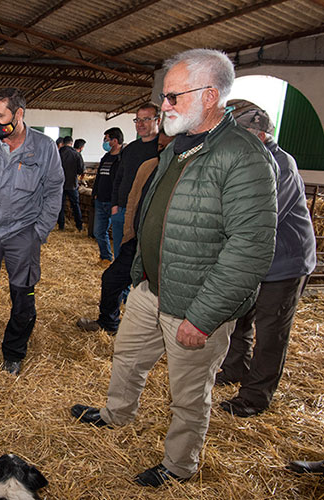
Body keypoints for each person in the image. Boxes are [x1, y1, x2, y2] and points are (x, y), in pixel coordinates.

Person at [70, 49, 278, 487]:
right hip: (151, 288)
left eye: (171, 97)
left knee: (188, 394)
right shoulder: (178, 149)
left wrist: (202, 316)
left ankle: (179, 464)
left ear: (209, 96)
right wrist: (140, 274)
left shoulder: (242, 156)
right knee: (127, 359)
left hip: (195, 302)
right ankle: (116, 414)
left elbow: (251, 248)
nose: (163, 106)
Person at [216, 108, 317, 418]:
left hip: (284, 263)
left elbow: (262, 217)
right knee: (241, 317)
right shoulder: (248, 162)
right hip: (255, 259)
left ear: (260, 136)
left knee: (271, 330)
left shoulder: (281, 165)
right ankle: (234, 368)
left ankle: (256, 395)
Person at [0, 87, 64, 376]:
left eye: (0, 115)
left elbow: (54, 191)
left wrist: (39, 232)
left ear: (19, 114)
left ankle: (14, 351)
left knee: (22, 296)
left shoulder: (44, 147)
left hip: (23, 233)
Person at [77, 131, 172, 334]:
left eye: (166, 146)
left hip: (166, 245)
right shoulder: (149, 168)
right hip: (138, 238)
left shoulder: (183, 173)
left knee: (155, 291)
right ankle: (109, 323)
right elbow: (133, 195)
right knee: (112, 278)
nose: (163, 151)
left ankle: (157, 332)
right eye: (160, 147)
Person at [110, 103, 161, 259]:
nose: (140, 124)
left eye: (146, 119)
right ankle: (122, 284)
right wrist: (114, 205)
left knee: (142, 257)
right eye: (137, 120)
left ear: (158, 121)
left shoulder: (163, 149)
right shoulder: (130, 149)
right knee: (120, 257)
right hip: (122, 210)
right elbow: (118, 178)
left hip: (146, 212)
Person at [92, 127, 123, 265]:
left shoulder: (122, 159)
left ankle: (119, 261)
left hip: (114, 201)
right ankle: (105, 257)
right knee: (98, 231)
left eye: (106, 139)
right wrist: (95, 193)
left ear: (114, 141)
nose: (104, 142)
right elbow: (99, 176)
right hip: (101, 199)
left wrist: (117, 200)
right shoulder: (106, 157)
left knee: (117, 234)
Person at [57, 136, 84, 231]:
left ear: (63, 143)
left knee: (60, 205)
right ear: (71, 143)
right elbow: (80, 170)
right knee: (75, 205)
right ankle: (79, 226)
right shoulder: (76, 154)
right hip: (72, 184)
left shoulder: (57, 153)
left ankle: (61, 225)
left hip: (60, 184)